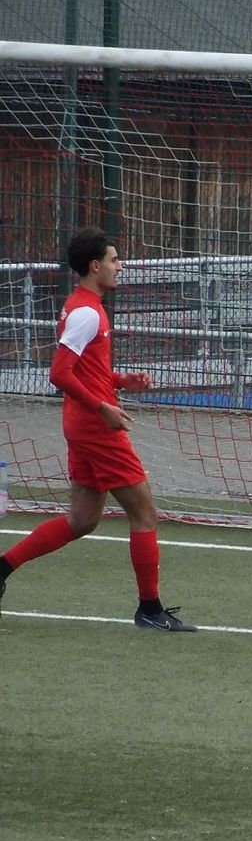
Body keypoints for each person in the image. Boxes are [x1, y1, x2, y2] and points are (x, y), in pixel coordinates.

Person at [0, 228, 197, 631]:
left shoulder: (85, 307)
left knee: (82, 519)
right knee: (144, 514)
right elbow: (59, 373)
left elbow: (85, 370)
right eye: (113, 259)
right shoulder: (88, 312)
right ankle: (150, 609)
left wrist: (121, 382)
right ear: (95, 266)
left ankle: (1, 568)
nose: (119, 266)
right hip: (95, 428)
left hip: (82, 426)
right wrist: (103, 406)